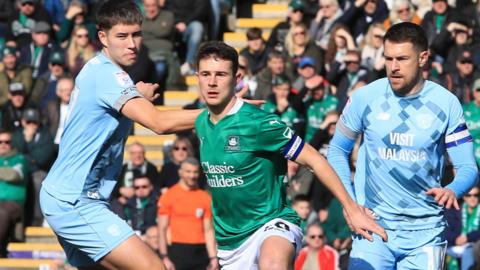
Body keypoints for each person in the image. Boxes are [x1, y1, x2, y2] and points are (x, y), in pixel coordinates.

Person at [194, 41, 386, 270]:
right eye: (206, 74)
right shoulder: (201, 123)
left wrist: (351, 208)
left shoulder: (258, 123)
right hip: (230, 242)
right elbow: (157, 122)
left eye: (221, 74)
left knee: (273, 263)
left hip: (272, 223)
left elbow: (314, 158)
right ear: (197, 77)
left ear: (237, 79)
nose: (212, 82)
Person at [39, 1, 200, 269]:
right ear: (102, 37)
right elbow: (158, 123)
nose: (132, 44)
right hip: (74, 200)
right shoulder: (108, 75)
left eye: (137, 34)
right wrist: (224, 113)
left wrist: (138, 97)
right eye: (122, 36)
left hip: (70, 196)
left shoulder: (103, 71)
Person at [327, 22, 479, 269]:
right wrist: (351, 205)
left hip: (426, 233)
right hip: (373, 226)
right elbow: (336, 150)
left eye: (402, 59)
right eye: (388, 59)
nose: (393, 67)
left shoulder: (447, 103)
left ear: (423, 58)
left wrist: (453, 189)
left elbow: (468, 167)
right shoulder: (365, 97)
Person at [157, 158, 218, 270]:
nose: (192, 176)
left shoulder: (205, 197)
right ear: (180, 172)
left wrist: (213, 257)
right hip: (177, 252)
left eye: (195, 172)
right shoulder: (169, 196)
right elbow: (162, 229)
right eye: (188, 172)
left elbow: (208, 230)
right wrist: (164, 256)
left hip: (201, 252)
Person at [0, 128, 28, 257]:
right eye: (0, 142)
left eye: (7, 141)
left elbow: (14, 175)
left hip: (12, 203)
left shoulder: (19, 158)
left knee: (1, 211)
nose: (3, 144)